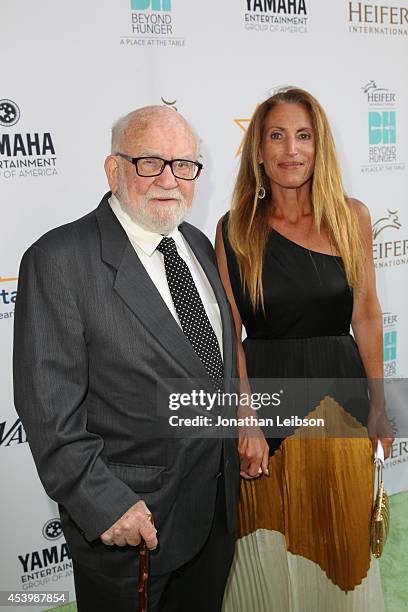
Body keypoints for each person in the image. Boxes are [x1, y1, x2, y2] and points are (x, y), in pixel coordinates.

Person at [13, 105, 239, 612]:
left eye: (184, 165)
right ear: (114, 169)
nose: (169, 179)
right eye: (149, 162)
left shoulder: (197, 245)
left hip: (212, 515)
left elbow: (211, 368)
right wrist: (107, 505)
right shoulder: (58, 260)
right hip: (132, 526)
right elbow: (49, 413)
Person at [215, 87, 394, 611]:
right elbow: (231, 336)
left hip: (341, 399)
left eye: (303, 135)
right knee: (268, 548)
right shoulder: (234, 229)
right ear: (259, 150)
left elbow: (365, 315)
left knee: (341, 546)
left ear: (319, 146)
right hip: (267, 409)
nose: (290, 150)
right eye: (276, 136)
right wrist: (244, 419)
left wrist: (380, 406)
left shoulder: (351, 217)